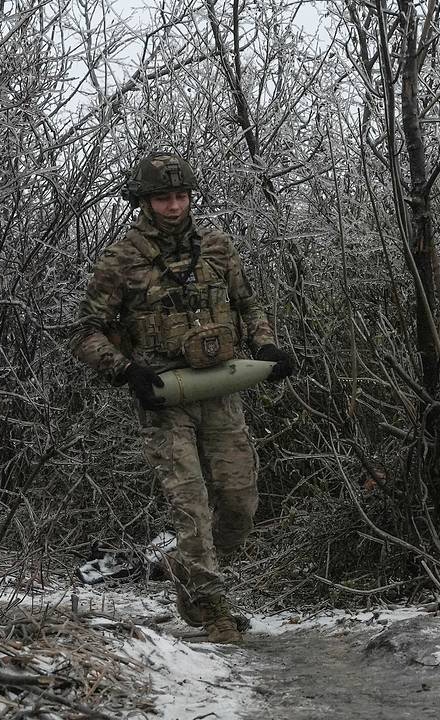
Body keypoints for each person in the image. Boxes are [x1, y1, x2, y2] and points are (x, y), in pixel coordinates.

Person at [70, 151, 295, 643]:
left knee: (239, 504)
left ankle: (181, 571)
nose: (173, 206)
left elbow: (247, 303)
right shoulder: (121, 260)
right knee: (190, 508)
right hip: (164, 398)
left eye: (180, 195)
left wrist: (265, 345)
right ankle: (210, 609)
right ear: (144, 202)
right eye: (162, 198)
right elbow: (86, 333)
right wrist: (126, 370)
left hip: (220, 389)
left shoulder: (217, 247)